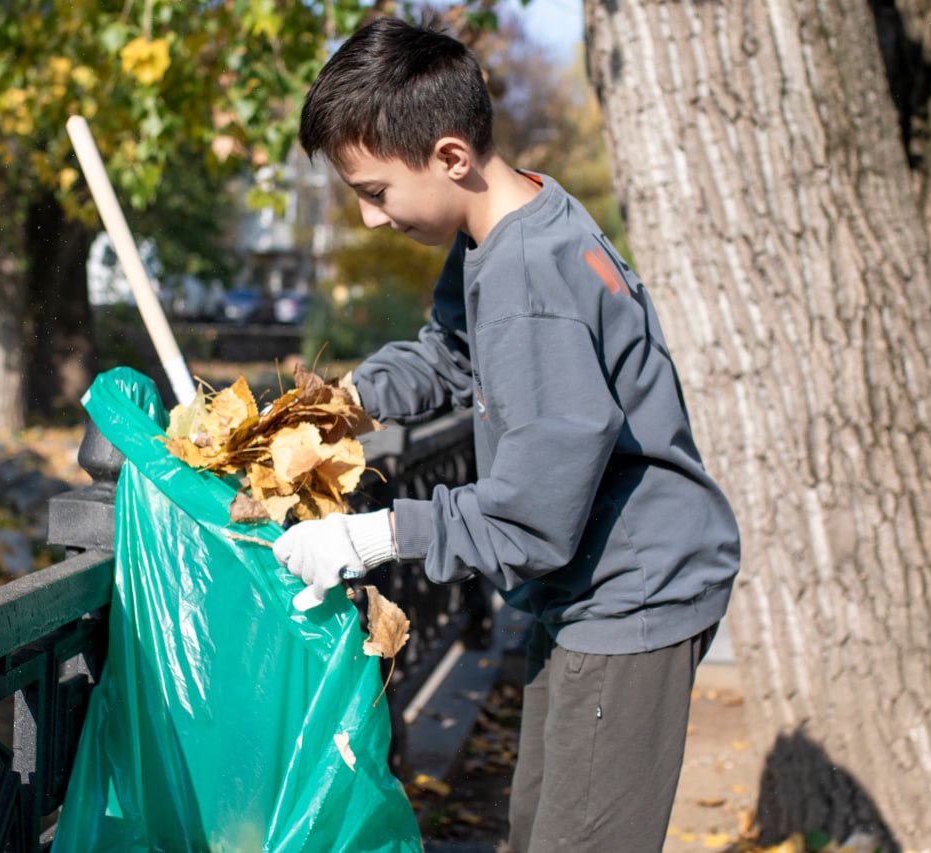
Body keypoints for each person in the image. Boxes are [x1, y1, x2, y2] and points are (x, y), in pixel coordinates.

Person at [272, 16, 741, 852]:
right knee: (535, 827)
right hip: (586, 585)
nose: (373, 220)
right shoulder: (513, 219)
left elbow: (528, 520)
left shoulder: (532, 280)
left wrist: (374, 535)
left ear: (450, 156)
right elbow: (452, 354)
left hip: (634, 593)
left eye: (375, 192)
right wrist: (345, 402)